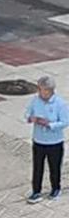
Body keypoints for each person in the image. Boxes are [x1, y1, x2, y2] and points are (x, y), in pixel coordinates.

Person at [25, 76, 68, 204]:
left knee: (54, 167)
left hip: (54, 142)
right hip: (38, 140)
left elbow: (65, 121)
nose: (41, 93)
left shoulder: (60, 104)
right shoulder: (35, 100)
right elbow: (27, 113)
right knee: (37, 167)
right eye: (40, 90)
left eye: (43, 90)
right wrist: (31, 118)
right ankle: (36, 191)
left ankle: (55, 188)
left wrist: (50, 124)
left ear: (50, 90)